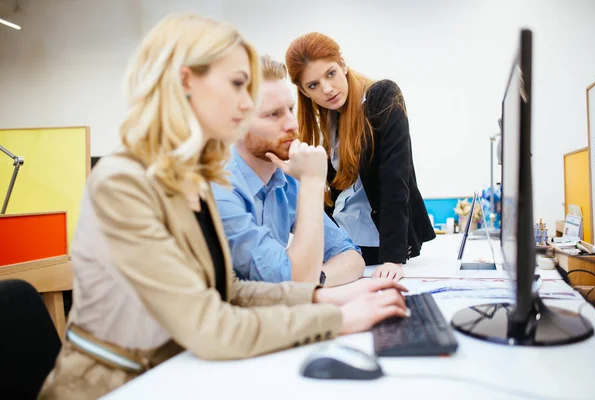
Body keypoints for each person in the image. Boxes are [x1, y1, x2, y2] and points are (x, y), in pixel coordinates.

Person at [38, 15, 409, 400]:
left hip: (177, 370)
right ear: (185, 83)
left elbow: (226, 290)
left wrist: (327, 297)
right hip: (116, 385)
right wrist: (337, 319)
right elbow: (209, 325)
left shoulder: (190, 175)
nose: (247, 104)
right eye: (237, 85)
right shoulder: (124, 183)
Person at [285, 32, 436, 281]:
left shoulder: (381, 98)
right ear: (303, 90)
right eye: (313, 85)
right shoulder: (323, 122)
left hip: (379, 248)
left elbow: (395, 178)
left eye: (330, 73)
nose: (327, 89)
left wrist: (393, 259)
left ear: (342, 64)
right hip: (341, 246)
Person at [211, 56, 365, 287]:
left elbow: (350, 255)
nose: (293, 124)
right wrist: (313, 182)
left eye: (290, 109)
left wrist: (316, 279)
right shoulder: (219, 190)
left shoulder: (286, 182)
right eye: (273, 114)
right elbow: (289, 279)